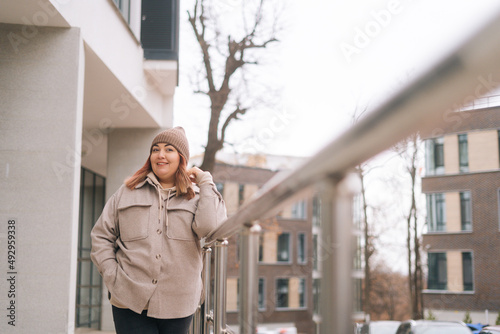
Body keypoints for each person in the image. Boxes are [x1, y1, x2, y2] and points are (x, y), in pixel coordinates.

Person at [90, 127, 227, 334]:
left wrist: (205, 181)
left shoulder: (199, 195)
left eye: (169, 149)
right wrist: (113, 276)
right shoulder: (127, 192)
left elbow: (209, 229)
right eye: (155, 149)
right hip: (129, 300)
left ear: (181, 158)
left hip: (179, 303)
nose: (160, 155)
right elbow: (101, 236)